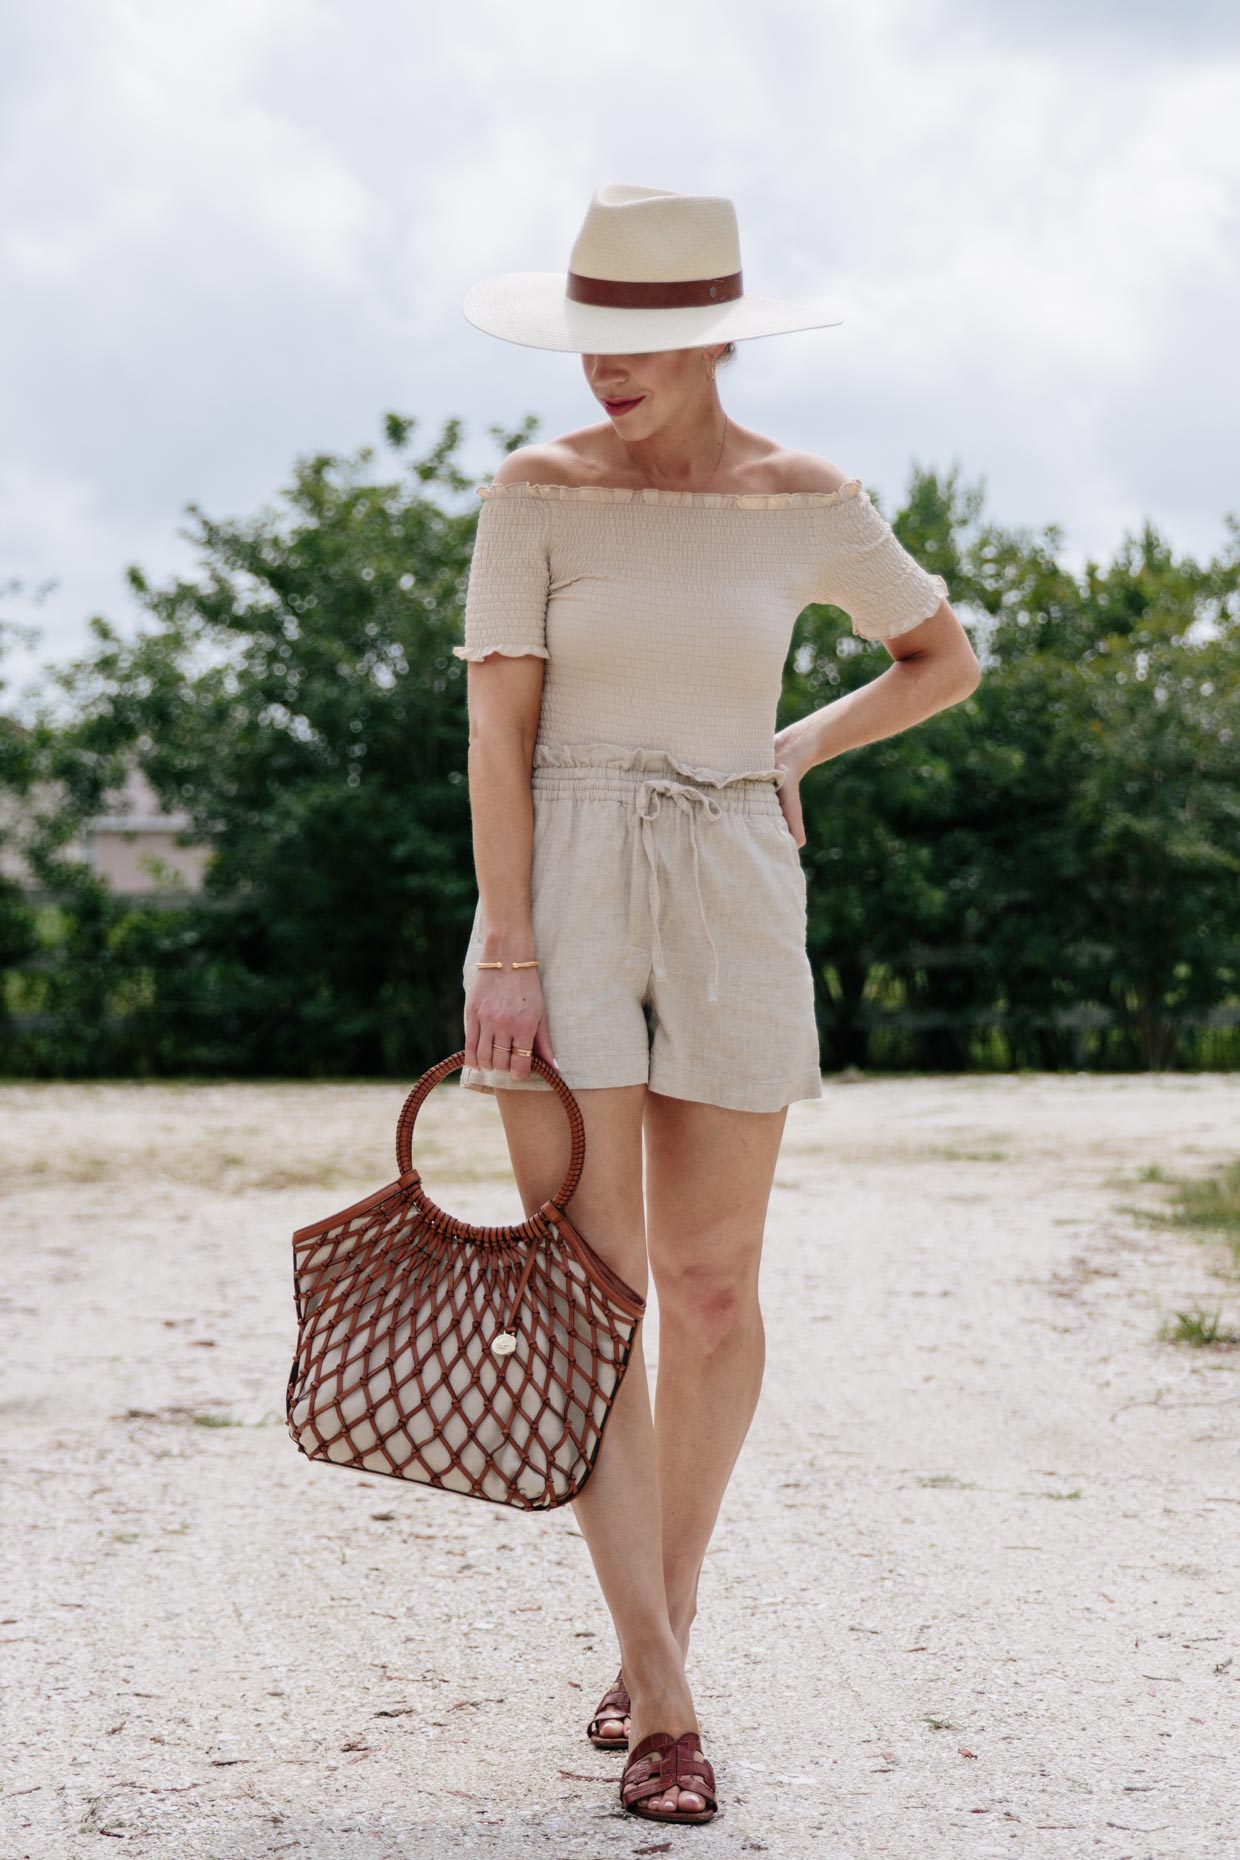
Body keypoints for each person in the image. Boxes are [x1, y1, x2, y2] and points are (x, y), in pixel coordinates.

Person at [452, 183, 981, 1827]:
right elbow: (497, 739)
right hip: (568, 878)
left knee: (714, 1288)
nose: (609, 368)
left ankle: (653, 1625)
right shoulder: (533, 496)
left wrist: (798, 747)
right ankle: (670, 1705)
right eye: (593, 334)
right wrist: (513, 949)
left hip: (738, 872)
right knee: (595, 1287)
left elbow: (940, 658)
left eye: (647, 337)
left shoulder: (809, 501)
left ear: (719, 331)